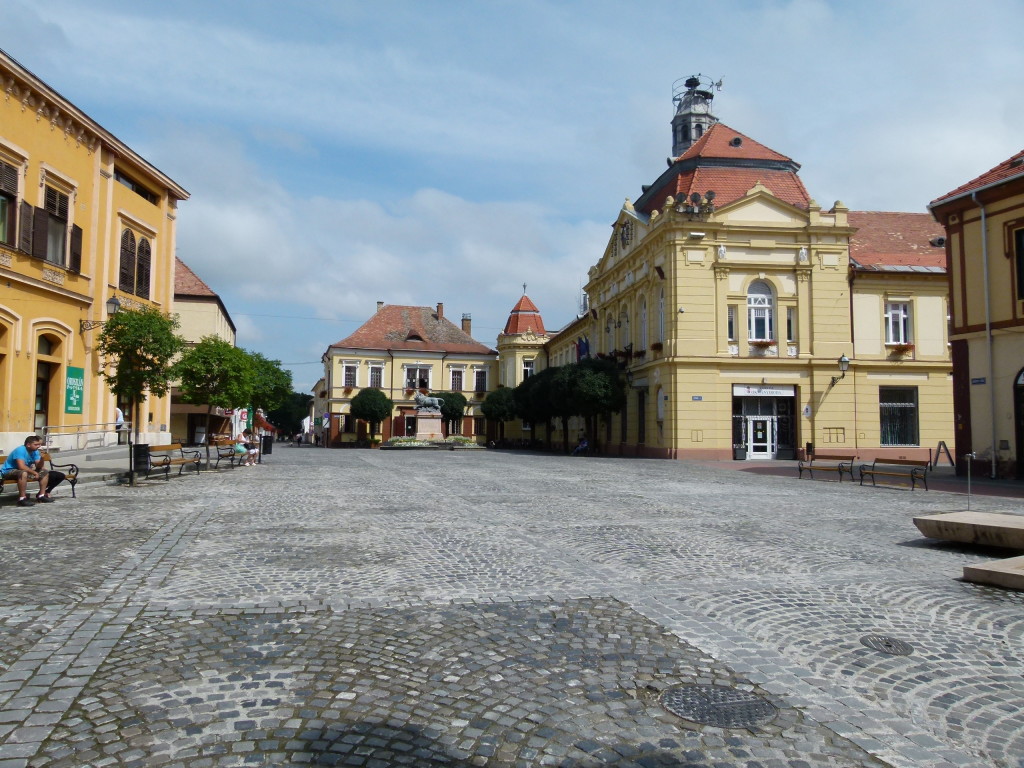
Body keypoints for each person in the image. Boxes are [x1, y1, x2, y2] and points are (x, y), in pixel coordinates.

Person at [2, 435, 65, 506]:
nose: (38, 446)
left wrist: (42, 458)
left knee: (44, 472)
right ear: (28, 445)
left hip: (23, 471)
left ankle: (41, 495)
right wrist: (34, 472)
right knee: (23, 473)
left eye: (39, 444)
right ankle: (22, 498)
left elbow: (39, 466)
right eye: (36, 444)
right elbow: (21, 466)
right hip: (9, 471)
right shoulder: (20, 450)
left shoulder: (35, 451)